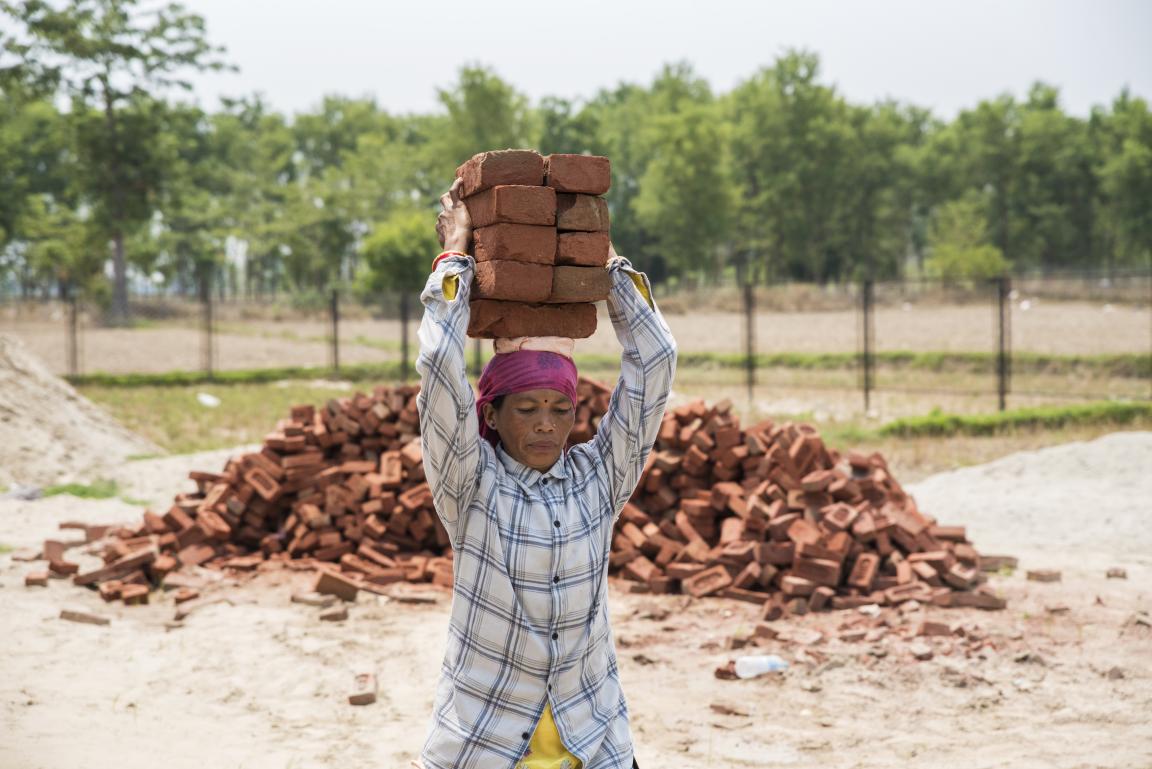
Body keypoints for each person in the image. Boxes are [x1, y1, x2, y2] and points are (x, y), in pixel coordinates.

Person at [414, 179, 677, 769]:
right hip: (487, 744)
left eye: (560, 410)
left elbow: (655, 361)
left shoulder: (599, 480)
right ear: (492, 413)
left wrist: (603, 265)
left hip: (595, 743)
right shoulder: (470, 483)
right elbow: (437, 366)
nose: (545, 427)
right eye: (527, 410)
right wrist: (455, 258)